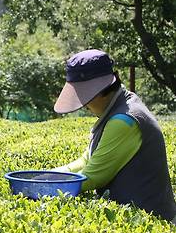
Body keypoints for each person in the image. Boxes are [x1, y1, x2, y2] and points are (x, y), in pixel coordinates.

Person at [52, 49, 176, 223]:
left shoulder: (123, 120)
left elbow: (93, 175)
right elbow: (85, 160)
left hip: (152, 223)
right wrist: (45, 176)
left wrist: (48, 188)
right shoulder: (120, 105)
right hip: (134, 219)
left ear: (101, 90)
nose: (84, 105)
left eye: (85, 97)